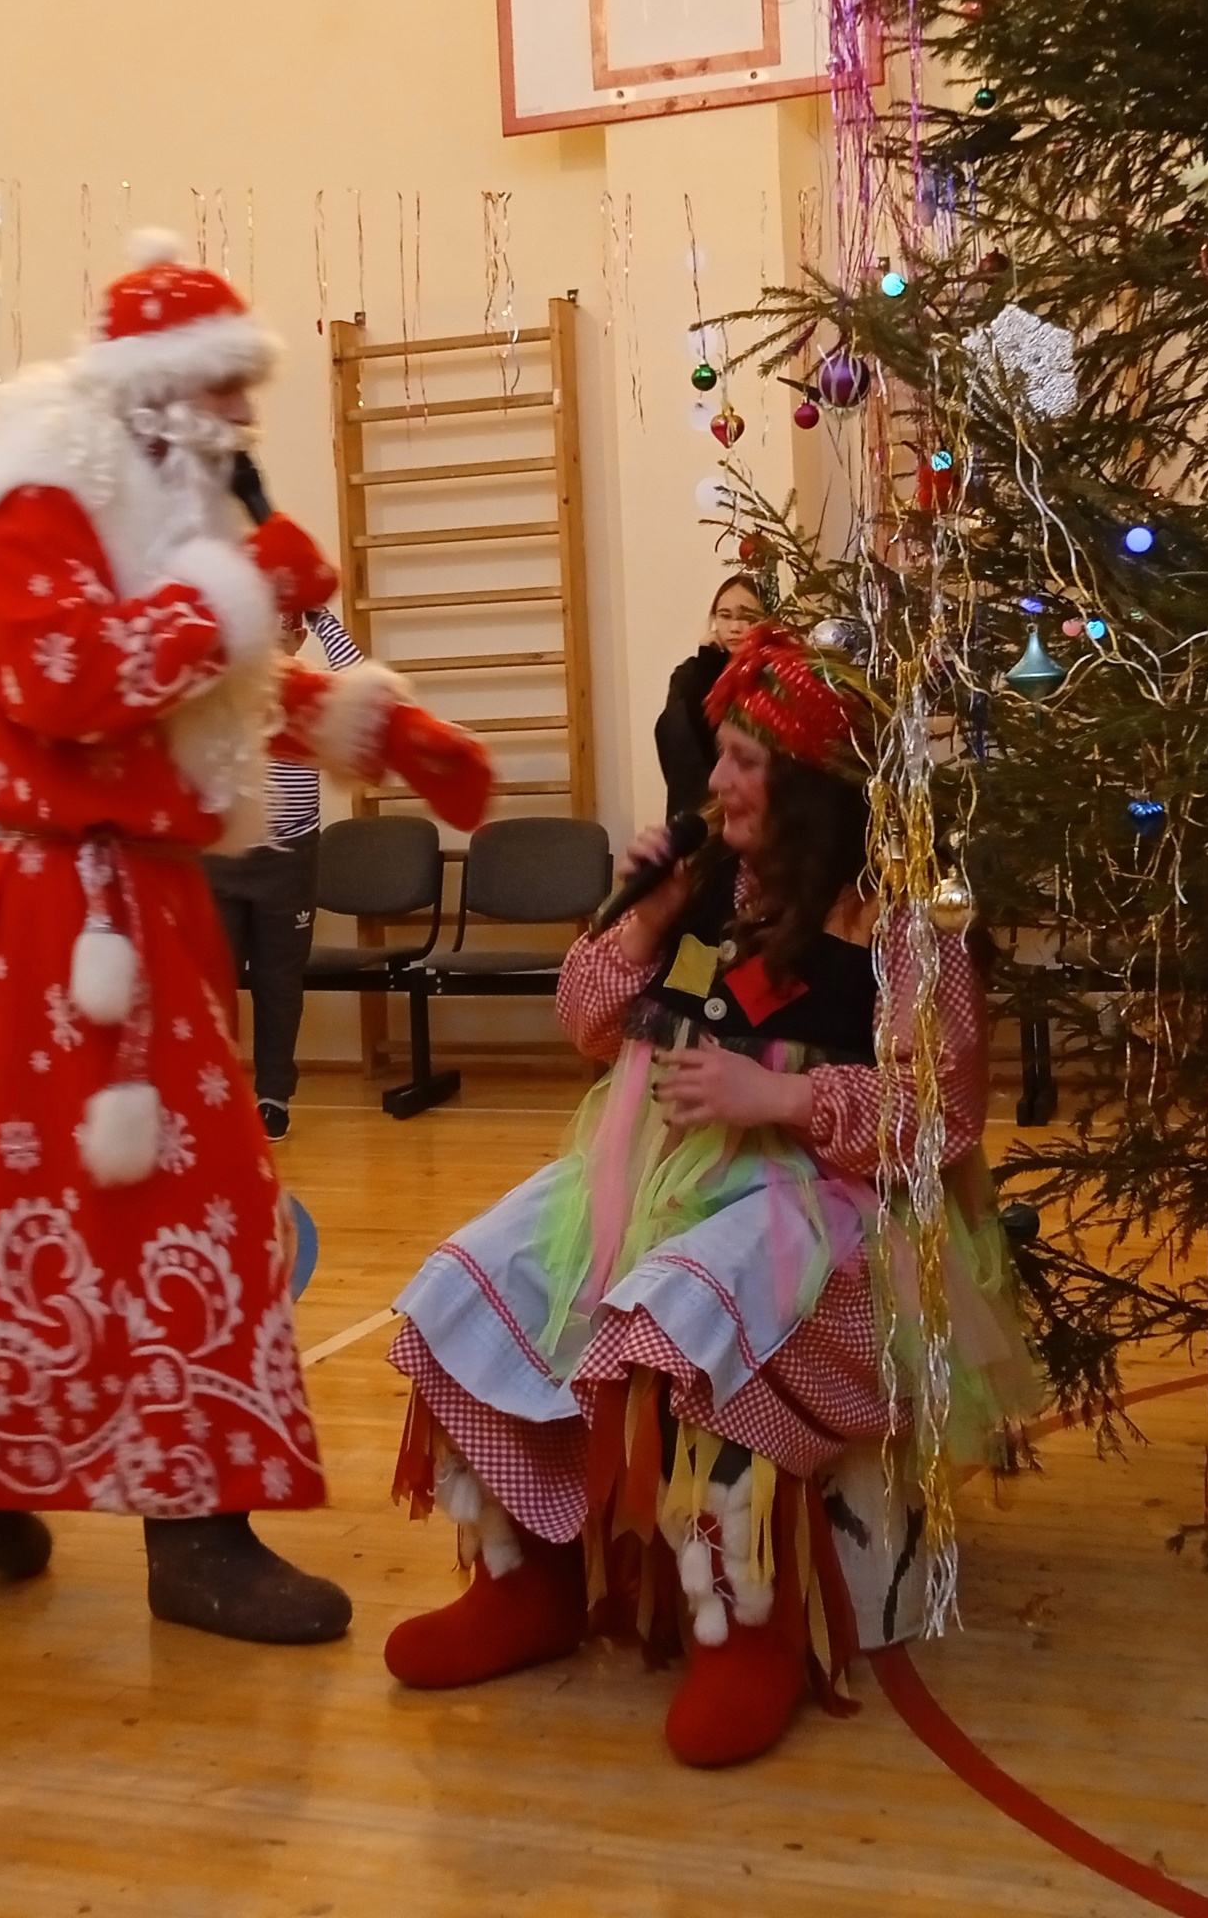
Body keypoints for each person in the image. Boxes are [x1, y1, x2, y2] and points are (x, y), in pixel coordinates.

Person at [0, 231, 494, 1642]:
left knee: (27, 1200)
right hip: (74, 912)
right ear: (150, 398)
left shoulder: (150, 522)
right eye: (220, 394)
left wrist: (383, 727)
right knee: (188, 1198)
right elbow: (68, 676)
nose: (240, 425)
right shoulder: (40, 502)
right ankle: (196, 1531)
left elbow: (210, 691)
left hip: (128, 899)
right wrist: (246, 592)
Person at [381, 624, 1035, 1767]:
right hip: (661, 1175)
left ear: (811, 788)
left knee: (683, 1309)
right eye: (718, 756)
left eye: (741, 760)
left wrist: (775, 1097)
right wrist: (644, 911)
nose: (714, 781)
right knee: (467, 1280)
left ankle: (749, 1626)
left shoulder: (897, 932)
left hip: (825, 1200)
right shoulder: (713, 901)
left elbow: (941, 1118)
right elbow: (592, 1023)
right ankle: (523, 1579)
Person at [203, 602, 363, 1141]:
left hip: (289, 858)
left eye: (288, 626)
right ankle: (217, 1093)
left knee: (279, 982)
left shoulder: (315, 695)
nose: (279, 633)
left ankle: (273, 1095)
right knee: (214, 981)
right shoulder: (222, 685)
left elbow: (362, 686)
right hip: (221, 855)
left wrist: (321, 617)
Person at [653, 575, 766, 823]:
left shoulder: (772, 674)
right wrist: (708, 663)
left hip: (751, 804)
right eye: (725, 616)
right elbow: (691, 739)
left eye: (747, 617)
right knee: (674, 719)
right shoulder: (690, 674)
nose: (735, 627)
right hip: (697, 802)